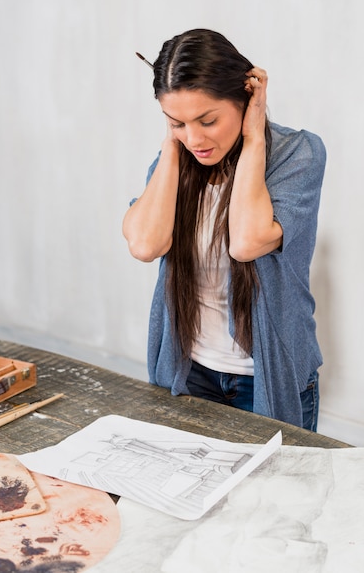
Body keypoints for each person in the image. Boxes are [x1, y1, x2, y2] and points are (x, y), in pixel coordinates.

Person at [123, 29, 326, 431]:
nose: (195, 138)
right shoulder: (178, 159)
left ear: (245, 100)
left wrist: (253, 140)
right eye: (177, 121)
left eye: (208, 120)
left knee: (275, 493)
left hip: (267, 378)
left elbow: (247, 242)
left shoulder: (298, 153)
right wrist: (171, 142)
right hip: (190, 371)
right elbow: (146, 244)